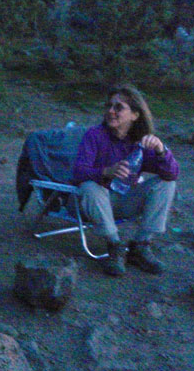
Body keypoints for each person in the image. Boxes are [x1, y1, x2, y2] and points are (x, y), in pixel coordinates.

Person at [72, 84, 179, 276]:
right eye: (109, 106)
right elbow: (79, 172)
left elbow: (171, 174)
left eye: (118, 107)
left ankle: (141, 245)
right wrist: (106, 172)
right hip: (93, 203)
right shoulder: (95, 135)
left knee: (166, 184)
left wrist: (161, 151)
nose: (111, 111)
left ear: (135, 115)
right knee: (89, 186)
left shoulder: (142, 142)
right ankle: (115, 246)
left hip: (124, 200)